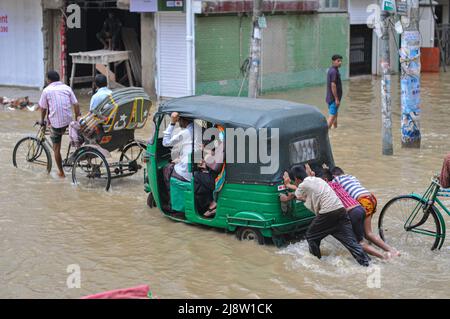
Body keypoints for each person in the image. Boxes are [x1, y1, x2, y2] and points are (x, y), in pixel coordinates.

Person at [283, 165, 370, 266]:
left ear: (297, 180)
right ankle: (367, 264)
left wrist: (288, 186)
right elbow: (309, 196)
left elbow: (298, 194)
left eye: (295, 181)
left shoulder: (303, 185)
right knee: (351, 242)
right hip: (341, 209)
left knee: (311, 236)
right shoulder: (317, 180)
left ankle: (317, 264)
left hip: (328, 212)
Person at [320, 168, 391, 260]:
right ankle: (377, 249)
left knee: (368, 234)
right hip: (371, 197)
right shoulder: (351, 177)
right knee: (366, 232)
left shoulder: (335, 181)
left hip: (363, 201)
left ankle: (391, 251)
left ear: (333, 176)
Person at [38, 70, 81, 178]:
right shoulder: (67, 88)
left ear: (48, 80)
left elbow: (43, 108)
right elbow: (76, 104)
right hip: (68, 121)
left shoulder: (46, 90)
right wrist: (77, 119)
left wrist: (42, 120)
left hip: (57, 124)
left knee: (56, 148)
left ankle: (61, 173)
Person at [161, 112, 194, 210]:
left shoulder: (186, 132)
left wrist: (172, 123)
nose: (178, 122)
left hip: (187, 173)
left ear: (183, 120)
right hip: (194, 167)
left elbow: (166, 142)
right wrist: (181, 159)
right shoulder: (198, 129)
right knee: (174, 164)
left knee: (167, 169)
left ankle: (172, 204)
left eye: (179, 120)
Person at [68, 74, 111, 149]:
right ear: (106, 83)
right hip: (109, 123)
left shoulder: (96, 96)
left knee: (72, 124)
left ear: (95, 84)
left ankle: (77, 147)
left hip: (98, 125)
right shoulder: (112, 94)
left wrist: (80, 118)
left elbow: (92, 114)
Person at [194, 125, 225, 217]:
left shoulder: (223, 145)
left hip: (217, 178)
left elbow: (215, 167)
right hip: (216, 173)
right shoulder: (221, 143)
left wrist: (206, 154)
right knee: (201, 173)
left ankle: (211, 204)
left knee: (196, 176)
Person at [326, 54, 343, 129]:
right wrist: (336, 99)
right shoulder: (333, 72)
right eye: (338, 61)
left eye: (341, 61)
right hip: (333, 99)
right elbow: (333, 85)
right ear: (333, 61)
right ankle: (325, 133)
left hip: (331, 98)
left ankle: (335, 128)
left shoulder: (333, 70)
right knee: (332, 116)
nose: (340, 62)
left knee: (335, 113)